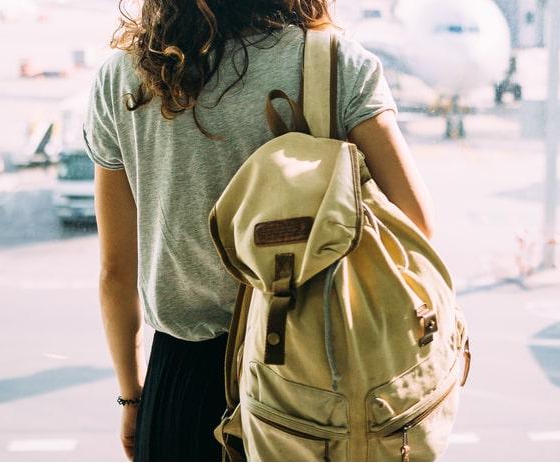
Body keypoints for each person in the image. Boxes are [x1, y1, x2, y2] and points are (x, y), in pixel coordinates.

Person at [84, 1, 436, 460]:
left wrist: (133, 396)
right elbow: (416, 228)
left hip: (184, 382)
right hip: (314, 373)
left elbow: (116, 272)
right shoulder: (333, 63)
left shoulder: (124, 78)